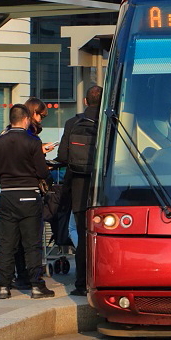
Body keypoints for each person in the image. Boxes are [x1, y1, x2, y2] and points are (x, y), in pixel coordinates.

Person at [0, 103, 55, 299]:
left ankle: (4, 286)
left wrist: (0, 176)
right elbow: (42, 172)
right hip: (29, 195)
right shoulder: (31, 141)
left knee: (7, 243)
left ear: (11, 120)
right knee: (32, 244)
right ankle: (36, 285)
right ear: (26, 119)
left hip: (8, 196)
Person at [56, 85, 101, 296]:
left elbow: (64, 158)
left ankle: (82, 284)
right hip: (104, 187)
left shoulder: (72, 123)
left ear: (85, 102)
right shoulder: (109, 122)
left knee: (83, 236)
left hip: (79, 187)